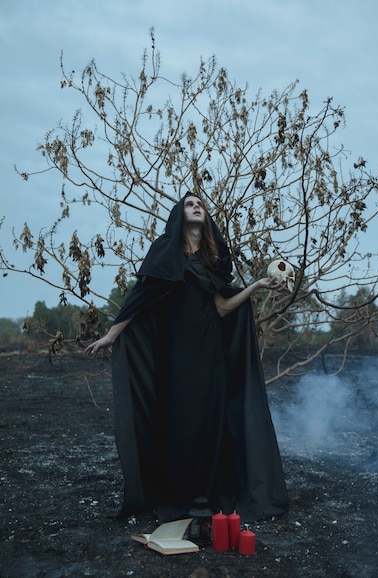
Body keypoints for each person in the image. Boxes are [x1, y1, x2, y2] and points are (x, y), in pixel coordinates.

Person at [86, 192, 289, 523]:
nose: (196, 207)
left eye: (200, 204)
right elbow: (141, 297)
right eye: (189, 204)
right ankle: (177, 491)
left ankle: (206, 493)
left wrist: (256, 286)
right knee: (180, 420)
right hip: (175, 353)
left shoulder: (214, 261)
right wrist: (112, 334)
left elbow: (223, 307)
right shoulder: (165, 254)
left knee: (212, 421)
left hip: (210, 354)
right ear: (180, 216)